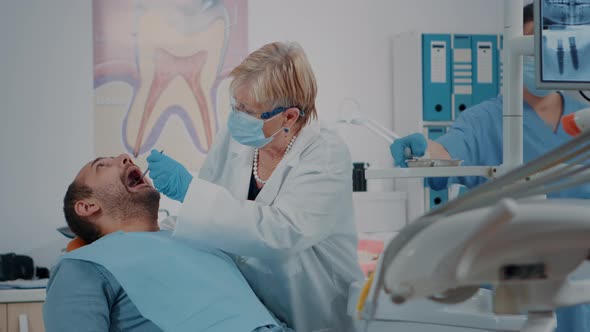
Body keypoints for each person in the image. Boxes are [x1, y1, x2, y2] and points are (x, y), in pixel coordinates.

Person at [390, 4, 590, 332]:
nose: (538, 54)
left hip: (579, 294)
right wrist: (424, 150)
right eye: (529, 42)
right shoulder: (487, 120)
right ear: (511, 50)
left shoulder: (582, 117)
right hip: (513, 291)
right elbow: (448, 151)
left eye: (547, 45)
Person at [146, 41, 364, 332]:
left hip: (314, 311)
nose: (237, 116)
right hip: (250, 311)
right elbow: (208, 210)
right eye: (236, 104)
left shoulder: (325, 153)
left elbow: (282, 233)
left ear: (289, 116)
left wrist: (190, 191)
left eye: (248, 111)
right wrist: (153, 233)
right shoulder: (239, 135)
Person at [44, 154, 287, 332]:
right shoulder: (82, 265)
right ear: (87, 206)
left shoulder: (201, 240)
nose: (125, 158)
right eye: (103, 165)